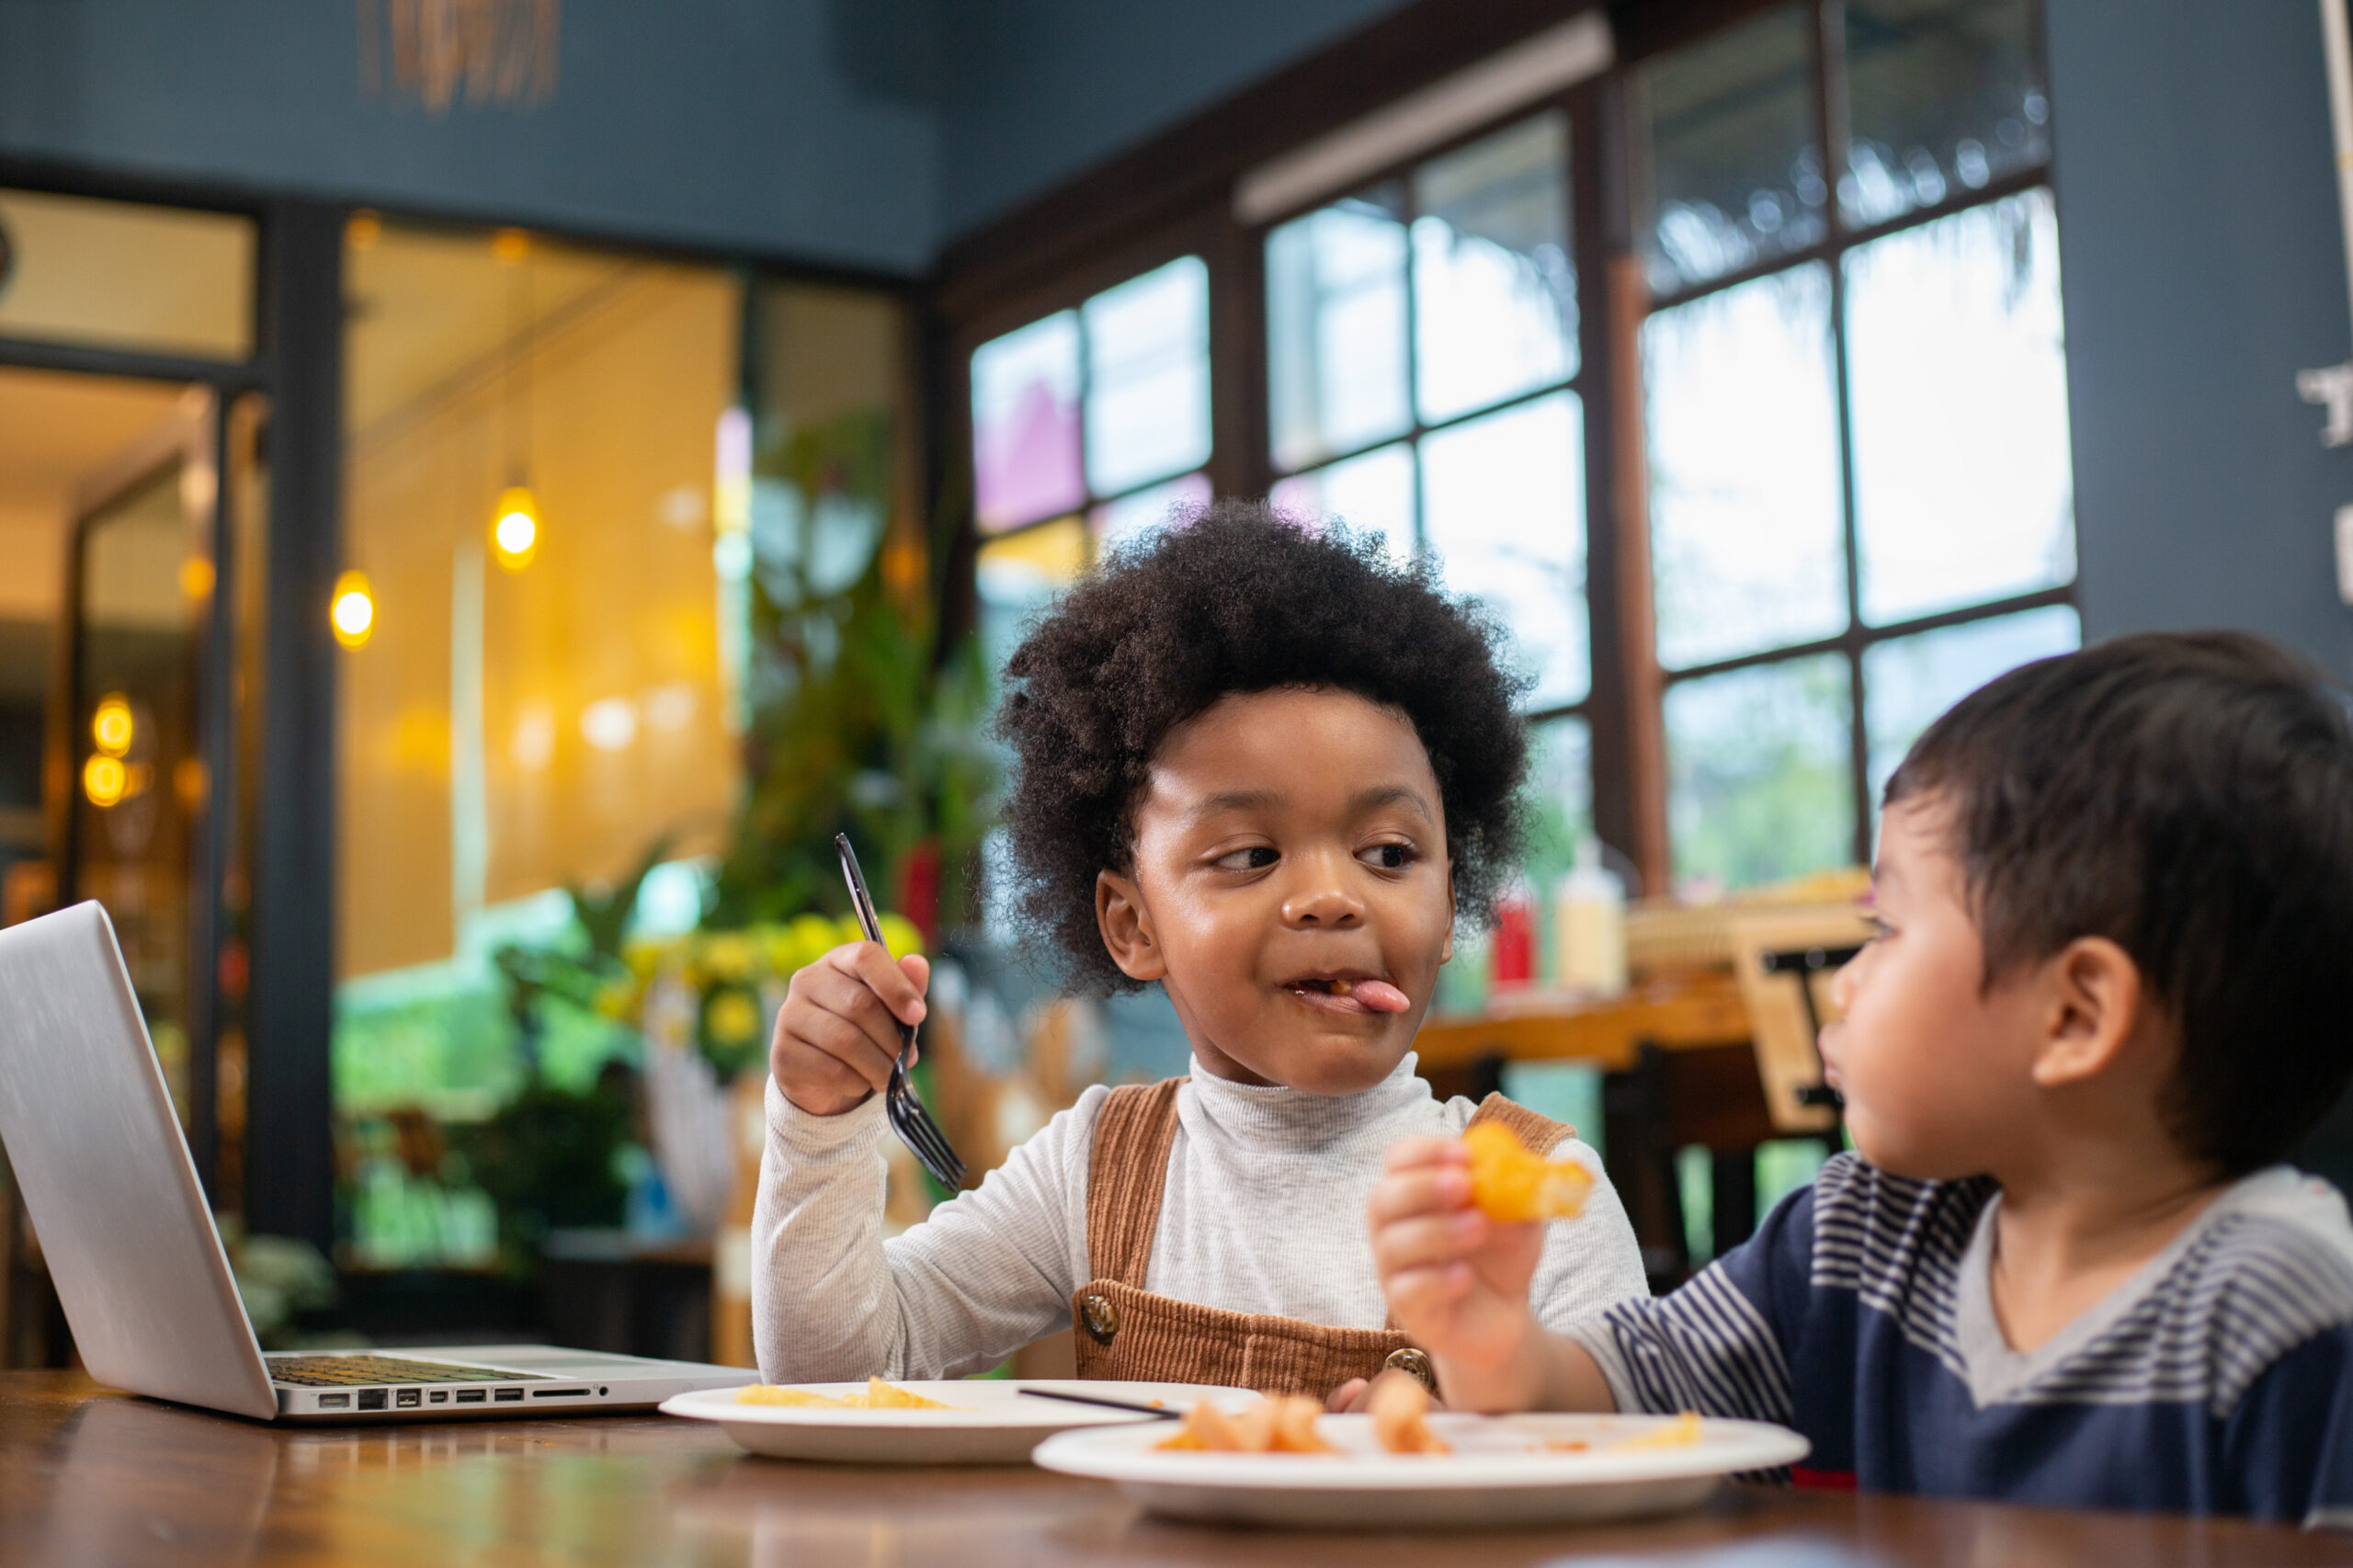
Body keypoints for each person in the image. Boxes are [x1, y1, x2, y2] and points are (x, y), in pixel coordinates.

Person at [1365, 631, 2353, 1521]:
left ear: (2074, 1014)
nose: (1845, 980)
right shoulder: (1860, 1234)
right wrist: (1494, 1338)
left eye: (1883, 927)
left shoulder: (2280, 1304)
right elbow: (1614, 1403)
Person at [750, 500, 1647, 1396]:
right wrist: (819, 1120)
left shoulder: (1539, 1187)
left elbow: (1633, 1450)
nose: (1333, 896)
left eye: (1388, 853)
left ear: (1451, 902)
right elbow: (835, 1369)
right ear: (1133, 925)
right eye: (1251, 855)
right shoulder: (1095, 1167)